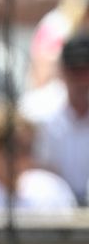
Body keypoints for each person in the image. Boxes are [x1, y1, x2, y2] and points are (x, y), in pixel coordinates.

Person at [33, 33, 89, 205]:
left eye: (87, 72)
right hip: (52, 208)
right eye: (76, 71)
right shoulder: (38, 113)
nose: (83, 81)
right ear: (63, 71)